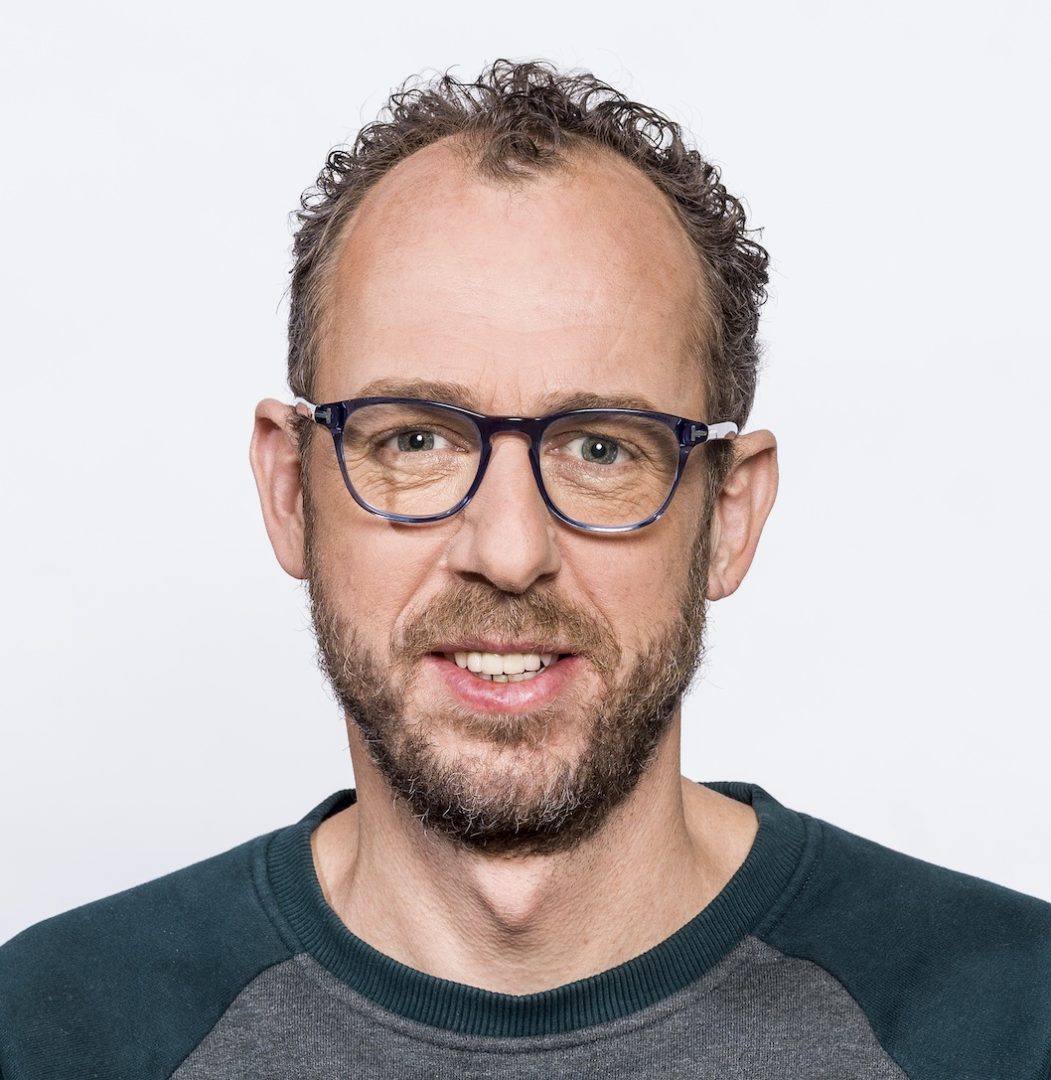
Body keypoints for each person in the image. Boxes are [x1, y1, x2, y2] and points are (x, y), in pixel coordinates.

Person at [1, 58, 1049, 1079]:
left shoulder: (1015, 1021)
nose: (507, 553)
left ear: (729, 514)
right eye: (414, 439)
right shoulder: (54, 1031)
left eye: (602, 448)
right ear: (289, 491)